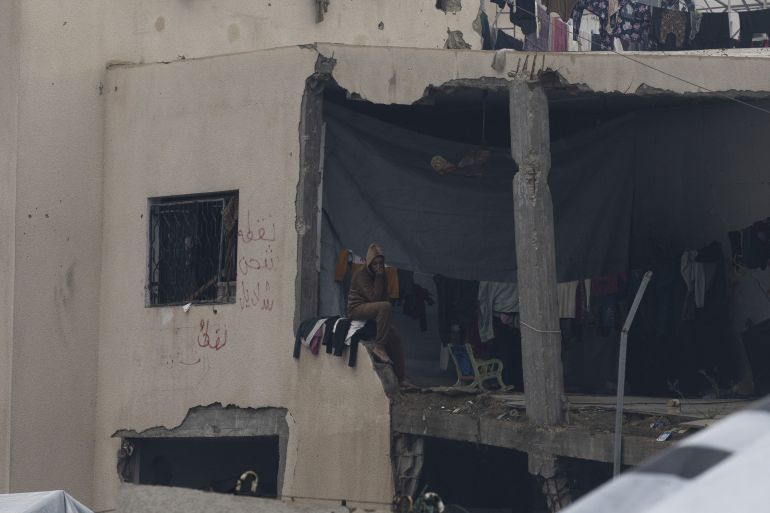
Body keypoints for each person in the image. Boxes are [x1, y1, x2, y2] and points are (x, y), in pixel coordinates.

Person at [347, 243, 411, 387]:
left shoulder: (382, 275)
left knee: (395, 336)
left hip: (374, 310)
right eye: (375, 263)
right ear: (369, 263)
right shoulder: (361, 274)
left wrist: (386, 323)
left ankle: (401, 378)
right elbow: (374, 298)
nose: (378, 266)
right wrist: (379, 276)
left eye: (380, 263)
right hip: (357, 309)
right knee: (385, 307)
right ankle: (379, 347)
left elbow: (385, 297)